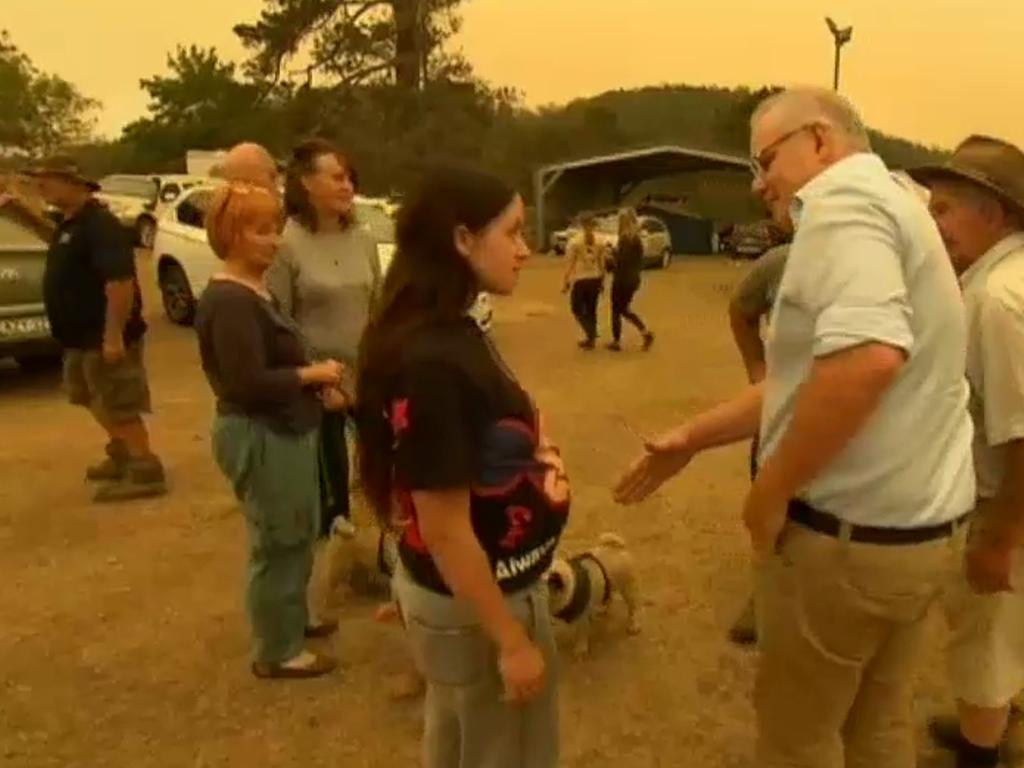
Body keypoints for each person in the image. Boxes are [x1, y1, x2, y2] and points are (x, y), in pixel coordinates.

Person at [615, 87, 976, 768]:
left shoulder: (841, 204)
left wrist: (770, 490)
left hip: (847, 548)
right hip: (918, 540)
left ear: (819, 141)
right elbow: (816, 378)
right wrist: (693, 437)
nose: (759, 184)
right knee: (876, 727)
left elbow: (867, 360)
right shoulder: (898, 201)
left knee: (796, 739)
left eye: (764, 161)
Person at [356, 166, 569, 768]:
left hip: (464, 594)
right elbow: (445, 525)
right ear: (461, 240)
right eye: (513, 232)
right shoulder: (432, 360)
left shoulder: (447, 332)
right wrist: (511, 641)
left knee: (459, 745)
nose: (527, 249)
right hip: (483, 604)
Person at [194, 181, 346, 679]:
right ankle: (277, 651)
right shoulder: (229, 301)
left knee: (299, 533)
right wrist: (312, 376)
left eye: (275, 228)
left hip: (287, 428)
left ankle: (293, 620)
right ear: (232, 235)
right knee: (277, 540)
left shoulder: (256, 290)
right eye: (261, 231)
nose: (274, 240)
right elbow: (247, 381)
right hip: (261, 434)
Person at [910, 135, 1024, 768]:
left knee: (983, 644)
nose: (935, 224)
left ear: (997, 213)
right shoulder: (1005, 278)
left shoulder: (996, 299)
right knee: (1006, 634)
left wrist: (998, 536)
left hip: (1001, 502)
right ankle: (996, 720)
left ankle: (981, 753)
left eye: (946, 209)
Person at [266, 138, 382, 624]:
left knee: (380, 480)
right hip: (318, 386)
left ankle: (373, 567)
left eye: (349, 176)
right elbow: (278, 324)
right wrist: (322, 383)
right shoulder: (284, 242)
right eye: (336, 177)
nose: (346, 185)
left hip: (367, 378)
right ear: (305, 183)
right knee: (326, 495)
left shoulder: (364, 238)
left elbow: (377, 308)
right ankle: (310, 603)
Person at [32, 157, 167, 502]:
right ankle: (122, 451)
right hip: (78, 338)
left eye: (47, 179)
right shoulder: (70, 223)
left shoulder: (100, 225)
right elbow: (47, 235)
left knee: (119, 401)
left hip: (102, 336)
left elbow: (120, 283)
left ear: (74, 184)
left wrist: (113, 336)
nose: (39, 185)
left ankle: (144, 469)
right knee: (88, 396)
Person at [724, 212, 792, 646]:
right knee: (768, 491)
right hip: (779, 407)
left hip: (846, 408)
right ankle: (764, 594)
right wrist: (756, 367)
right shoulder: (781, 262)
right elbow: (740, 308)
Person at [607, 208, 655, 351]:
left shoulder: (625, 238)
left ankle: (617, 341)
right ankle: (645, 333)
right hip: (633, 278)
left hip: (622, 278)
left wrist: (611, 255)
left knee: (617, 309)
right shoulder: (637, 237)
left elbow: (622, 260)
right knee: (624, 309)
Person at [563, 212, 607, 349]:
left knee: (576, 309)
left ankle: (591, 334)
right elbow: (602, 263)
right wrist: (603, 281)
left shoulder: (575, 241)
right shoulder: (601, 240)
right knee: (591, 309)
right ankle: (591, 338)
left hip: (581, 280)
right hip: (595, 279)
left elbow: (570, 263)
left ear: (581, 224)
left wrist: (566, 280)